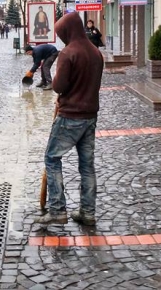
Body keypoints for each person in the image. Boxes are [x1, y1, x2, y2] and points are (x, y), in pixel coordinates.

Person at [34, 12, 104, 226]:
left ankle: (57, 210)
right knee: (87, 165)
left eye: (61, 33)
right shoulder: (95, 53)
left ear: (67, 31)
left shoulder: (68, 53)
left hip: (69, 116)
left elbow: (58, 86)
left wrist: (56, 74)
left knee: (52, 158)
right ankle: (88, 212)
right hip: (90, 116)